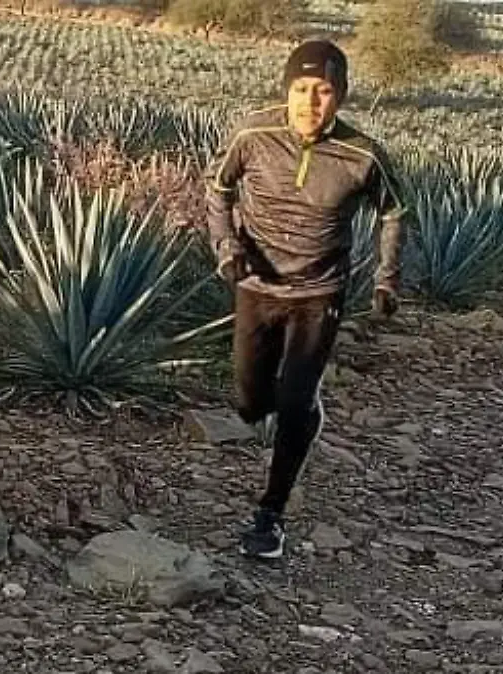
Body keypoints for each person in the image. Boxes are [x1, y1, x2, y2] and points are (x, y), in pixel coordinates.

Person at [203, 39, 408, 560]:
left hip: (320, 292)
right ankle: (293, 410)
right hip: (257, 286)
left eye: (323, 92)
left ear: (339, 97)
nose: (309, 103)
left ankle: (270, 513)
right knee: (251, 400)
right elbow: (217, 188)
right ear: (285, 91)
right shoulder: (253, 134)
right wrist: (226, 245)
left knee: (294, 402)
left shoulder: (363, 155)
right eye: (301, 90)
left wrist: (387, 277)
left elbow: (393, 211)